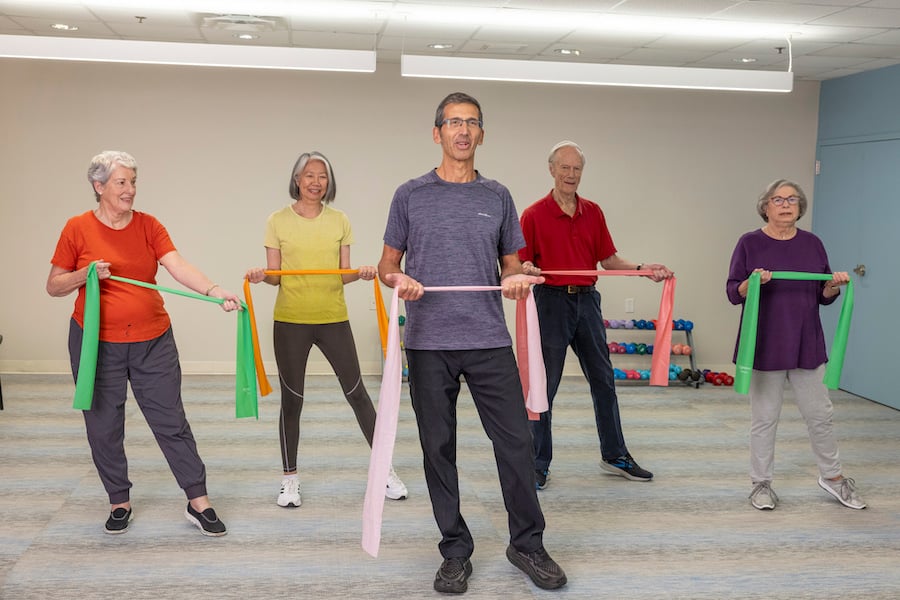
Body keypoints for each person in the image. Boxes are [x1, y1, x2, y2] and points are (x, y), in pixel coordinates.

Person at [378, 92, 566, 594]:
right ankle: (455, 550)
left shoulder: (498, 197)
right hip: (428, 342)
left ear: (482, 134)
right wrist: (401, 281)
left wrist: (519, 277)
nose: (462, 131)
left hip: (487, 338)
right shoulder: (410, 195)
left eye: (472, 123)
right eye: (453, 122)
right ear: (436, 132)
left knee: (517, 443)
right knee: (438, 450)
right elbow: (386, 267)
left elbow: (511, 265)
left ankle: (527, 543)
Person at [47, 150, 239, 536]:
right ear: (98, 186)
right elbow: (54, 285)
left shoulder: (149, 226)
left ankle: (198, 500)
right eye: (121, 182)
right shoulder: (76, 228)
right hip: (95, 343)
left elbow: (176, 264)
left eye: (133, 182)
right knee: (104, 424)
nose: (130, 190)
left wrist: (215, 290)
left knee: (171, 420)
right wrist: (84, 274)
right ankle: (119, 500)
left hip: (153, 340)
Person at [245, 151, 407, 509]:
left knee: (358, 394)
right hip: (290, 321)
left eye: (322, 176)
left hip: (333, 318)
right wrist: (261, 275)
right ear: (297, 180)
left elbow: (342, 273)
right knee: (292, 400)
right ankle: (289, 480)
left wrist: (361, 273)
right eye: (309, 175)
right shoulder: (277, 220)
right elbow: (275, 277)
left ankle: (384, 472)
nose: (316, 182)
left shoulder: (340, 220)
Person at [519, 141, 673, 490]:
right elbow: (520, 262)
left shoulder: (593, 212)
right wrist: (527, 267)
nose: (571, 174)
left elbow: (608, 260)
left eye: (577, 169)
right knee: (546, 386)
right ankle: (537, 463)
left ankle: (614, 454)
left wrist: (640, 269)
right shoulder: (533, 214)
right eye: (565, 168)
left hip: (587, 302)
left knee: (604, 380)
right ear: (552, 170)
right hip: (551, 302)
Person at [726, 179, 866, 511]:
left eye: (792, 199)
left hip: (806, 342)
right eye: (778, 199)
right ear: (766, 206)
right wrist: (752, 282)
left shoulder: (813, 244)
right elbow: (733, 292)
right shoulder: (749, 243)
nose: (786, 204)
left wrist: (833, 286)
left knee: (820, 414)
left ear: (800, 207)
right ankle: (760, 483)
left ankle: (832, 478)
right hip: (765, 342)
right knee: (765, 417)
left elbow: (823, 296)